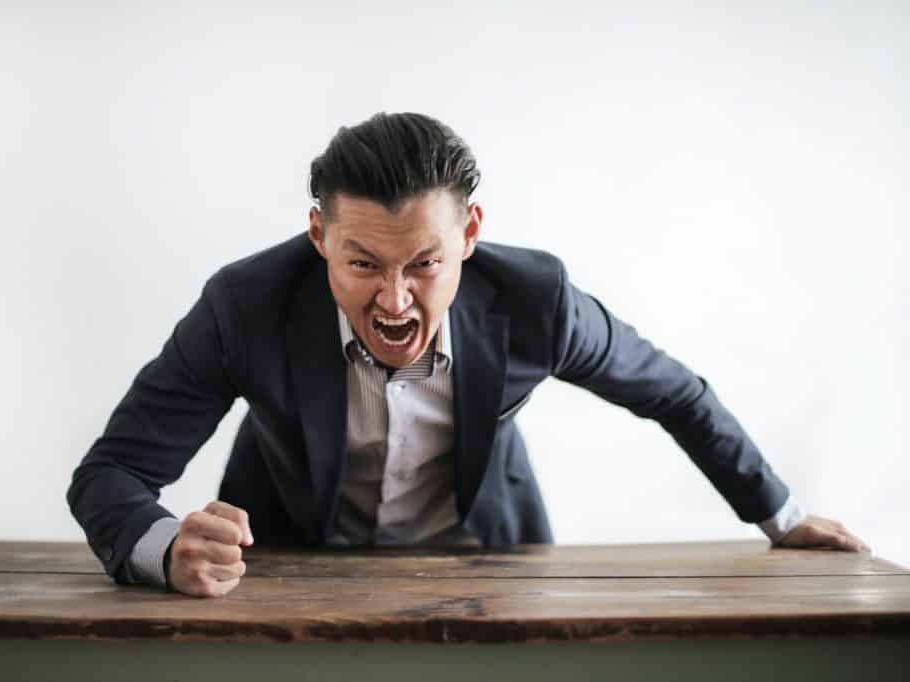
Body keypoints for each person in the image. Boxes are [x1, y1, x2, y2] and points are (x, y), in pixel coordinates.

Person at [67, 112, 870, 598]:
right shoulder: (243, 308)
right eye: (361, 264)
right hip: (287, 570)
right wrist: (165, 548)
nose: (394, 301)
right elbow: (109, 475)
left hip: (487, 567)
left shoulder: (537, 303)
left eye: (424, 264)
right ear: (319, 237)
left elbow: (675, 393)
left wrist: (782, 515)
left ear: (470, 237)